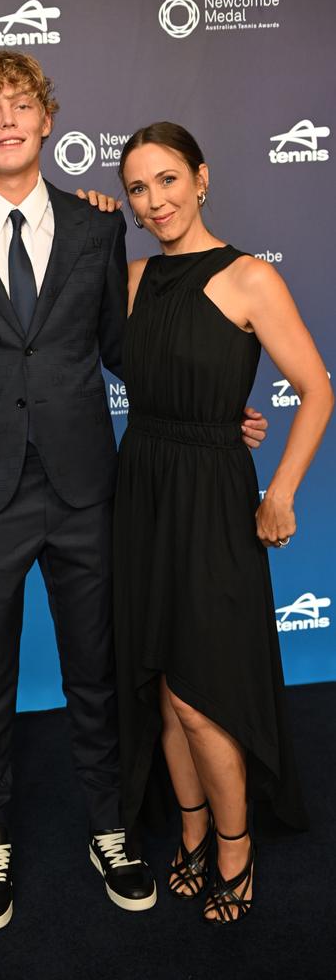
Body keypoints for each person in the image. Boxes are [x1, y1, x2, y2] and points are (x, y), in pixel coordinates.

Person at [0, 52, 267, 931]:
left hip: (83, 489)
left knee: (98, 674)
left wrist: (214, 414)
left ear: (47, 119)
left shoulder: (101, 229)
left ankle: (110, 824)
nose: (8, 119)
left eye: (22, 103)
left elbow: (122, 349)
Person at [113, 121, 333, 924]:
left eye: (168, 179)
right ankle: (193, 829)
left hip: (211, 495)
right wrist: (94, 214)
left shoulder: (250, 279)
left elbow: (317, 389)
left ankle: (236, 850)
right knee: (165, 689)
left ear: (201, 179)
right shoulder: (131, 279)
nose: (155, 199)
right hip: (141, 488)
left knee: (204, 692)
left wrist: (280, 493)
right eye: (138, 188)